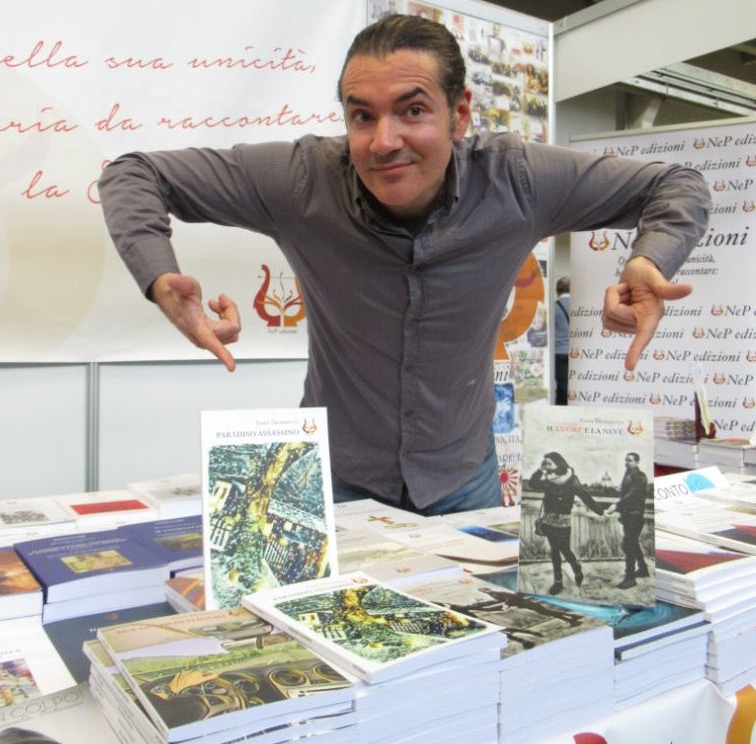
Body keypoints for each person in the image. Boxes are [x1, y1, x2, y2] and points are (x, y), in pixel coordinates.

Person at [97, 14, 711, 516]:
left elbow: (678, 184)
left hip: (463, 481)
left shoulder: (517, 180)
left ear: (460, 114)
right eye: (362, 115)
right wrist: (159, 277)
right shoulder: (302, 180)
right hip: (335, 481)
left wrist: (648, 258)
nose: (383, 140)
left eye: (412, 111)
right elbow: (134, 173)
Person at [528, 451, 606, 595]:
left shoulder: (571, 480)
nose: (547, 466)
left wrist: (601, 511)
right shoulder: (548, 479)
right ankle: (558, 581)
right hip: (549, 520)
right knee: (554, 551)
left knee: (565, 549)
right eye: (545, 463)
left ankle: (576, 568)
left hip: (563, 521)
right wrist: (540, 470)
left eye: (549, 463)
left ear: (558, 463)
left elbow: (585, 497)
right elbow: (533, 484)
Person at [607, 452, 650, 589]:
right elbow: (626, 495)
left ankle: (630, 578)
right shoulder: (629, 474)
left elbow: (633, 494)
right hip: (629, 515)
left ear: (637, 462)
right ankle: (643, 569)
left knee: (628, 544)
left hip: (635, 515)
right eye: (626, 460)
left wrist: (617, 505)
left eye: (630, 460)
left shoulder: (640, 476)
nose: (627, 463)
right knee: (632, 542)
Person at [554, 276, 570, 405]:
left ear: (557, 290)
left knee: (562, 386)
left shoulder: (554, 307)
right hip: (578, 354)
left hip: (560, 352)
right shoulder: (579, 305)